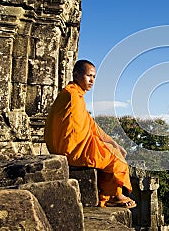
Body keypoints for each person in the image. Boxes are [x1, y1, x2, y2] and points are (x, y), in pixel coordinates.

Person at [44, 59, 136, 208]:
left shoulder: (76, 95)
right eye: (88, 76)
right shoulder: (71, 95)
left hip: (71, 146)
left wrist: (114, 143)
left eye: (94, 77)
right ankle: (115, 196)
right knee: (117, 160)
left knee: (112, 151)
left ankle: (107, 194)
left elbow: (91, 126)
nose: (92, 80)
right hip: (72, 149)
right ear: (76, 75)